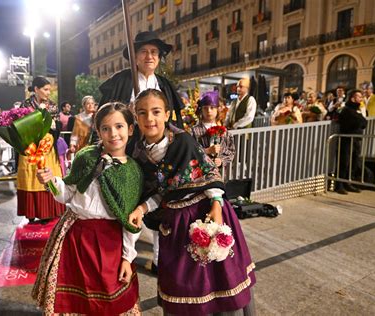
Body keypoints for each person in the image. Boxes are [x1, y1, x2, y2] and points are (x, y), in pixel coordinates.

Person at [129, 89, 256, 315]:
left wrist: (217, 207)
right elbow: (159, 193)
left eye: (156, 111)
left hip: (207, 213)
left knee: (219, 280)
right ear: (136, 117)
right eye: (142, 112)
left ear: (167, 114)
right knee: (183, 287)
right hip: (175, 225)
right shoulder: (138, 153)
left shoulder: (183, 141)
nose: (150, 118)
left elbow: (210, 174)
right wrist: (141, 207)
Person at [32, 102, 143, 315]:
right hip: (74, 237)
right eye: (105, 128)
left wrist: (127, 258)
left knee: (108, 296)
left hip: (109, 243)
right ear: (98, 130)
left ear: (130, 129)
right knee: (73, 296)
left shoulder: (133, 173)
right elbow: (67, 193)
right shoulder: (86, 157)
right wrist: (51, 181)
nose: (113, 134)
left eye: (119, 127)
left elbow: (130, 221)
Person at [99, 31, 184, 128]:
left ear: (159, 58)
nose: (149, 57)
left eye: (153, 52)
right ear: (135, 57)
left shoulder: (165, 85)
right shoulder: (120, 80)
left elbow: (173, 121)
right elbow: (103, 117)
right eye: (144, 52)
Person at [17, 77, 65, 221]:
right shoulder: (25, 105)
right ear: (36, 89)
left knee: (48, 175)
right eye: (45, 89)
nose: (48, 92)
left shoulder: (52, 106)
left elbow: (57, 127)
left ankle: (50, 211)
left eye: (49, 89)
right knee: (31, 178)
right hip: (30, 149)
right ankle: (31, 212)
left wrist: (50, 132)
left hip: (47, 147)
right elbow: (20, 126)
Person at [191, 91, 235, 170]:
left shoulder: (224, 132)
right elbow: (190, 152)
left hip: (219, 175)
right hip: (200, 174)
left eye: (212, 107)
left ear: (218, 109)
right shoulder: (194, 131)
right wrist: (206, 151)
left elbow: (231, 152)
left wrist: (221, 161)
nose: (209, 111)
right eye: (205, 108)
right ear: (201, 110)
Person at [336, 89, 368, 194]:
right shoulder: (346, 110)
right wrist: (359, 121)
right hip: (346, 140)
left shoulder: (357, 109)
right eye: (359, 97)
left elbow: (364, 123)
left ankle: (348, 183)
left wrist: (360, 121)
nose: (361, 98)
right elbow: (354, 123)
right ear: (353, 98)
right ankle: (339, 184)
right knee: (344, 162)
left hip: (356, 140)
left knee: (354, 162)